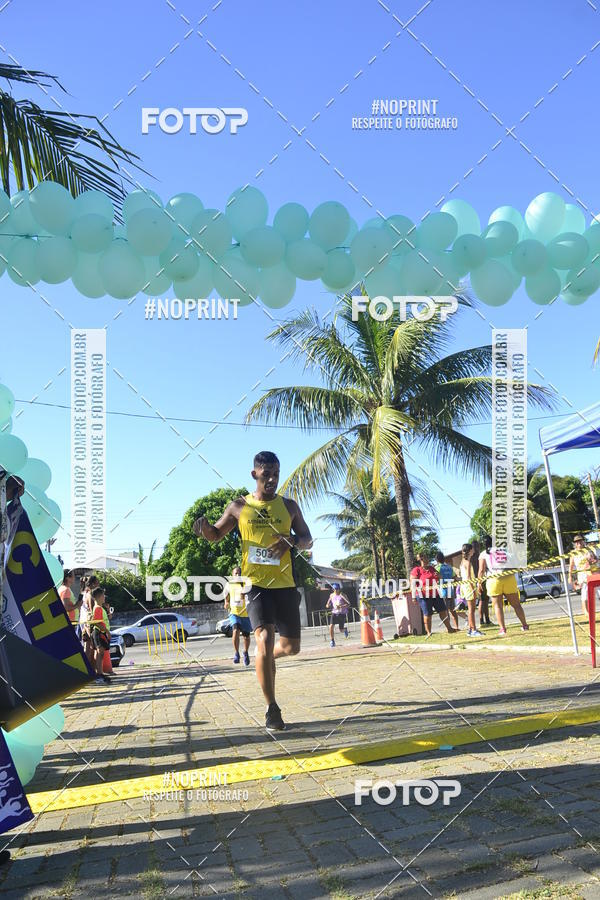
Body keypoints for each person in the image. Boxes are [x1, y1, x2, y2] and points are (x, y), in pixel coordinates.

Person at [193, 451, 313, 731]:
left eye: (275, 474)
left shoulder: (290, 506)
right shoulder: (238, 506)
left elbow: (307, 539)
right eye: (266, 474)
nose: (271, 479)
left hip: (284, 584)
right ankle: (272, 708)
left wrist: (292, 541)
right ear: (254, 474)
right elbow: (215, 535)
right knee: (265, 638)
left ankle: (266, 657)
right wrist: (203, 529)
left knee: (291, 647)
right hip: (255, 585)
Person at [478, 537, 528, 636]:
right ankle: (525, 625)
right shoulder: (503, 550)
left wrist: (479, 583)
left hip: (494, 580)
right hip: (509, 578)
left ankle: (502, 629)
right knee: (516, 604)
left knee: (498, 606)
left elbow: (481, 570)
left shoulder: (484, 554)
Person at [410, 552, 455, 637]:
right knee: (428, 614)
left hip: (435, 593)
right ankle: (429, 632)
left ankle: (450, 629)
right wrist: (413, 597)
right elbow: (412, 583)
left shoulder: (431, 568)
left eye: (426, 557)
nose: (426, 560)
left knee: (443, 611)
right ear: (420, 560)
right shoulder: (416, 570)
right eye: (424, 558)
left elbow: (439, 578)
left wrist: (439, 576)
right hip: (423, 595)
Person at [224, 565, 251, 666]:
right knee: (235, 630)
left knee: (246, 636)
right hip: (234, 612)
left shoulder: (246, 583)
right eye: (236, 573)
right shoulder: (229, 584)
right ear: (232, 574)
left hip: (245, 613)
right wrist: (226, 602)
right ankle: (236, 653)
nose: (238, 575)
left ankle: (246, 652)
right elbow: (226, 594)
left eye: (239, 573)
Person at [568, 534, 597, 618]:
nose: (579, 543)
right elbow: (571, 566)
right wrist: (570, 576)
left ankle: (590, 611)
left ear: (583, 541)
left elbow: (595, 560)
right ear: (574, 544)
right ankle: (585, 611)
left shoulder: (589, 550)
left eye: (580, 541)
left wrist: (592, 562)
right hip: (582, 575)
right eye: (577, 542)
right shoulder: (573, 553)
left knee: (595, 592)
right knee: (584, 594)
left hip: (592, 573)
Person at [458, 544, 482, 637]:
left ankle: (471, 629)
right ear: (469, 551)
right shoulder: (467, 562)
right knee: (471, 610)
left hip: (465, 587)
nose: (474, 551)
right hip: (469, 587)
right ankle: (473, 630)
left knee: (471, 609)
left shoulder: (462, 561)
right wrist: (473, 588)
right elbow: (468, 577)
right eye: (472, 549)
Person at [89, 587, 111, 684]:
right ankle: (99, 674)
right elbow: (96, 623)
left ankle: (100, 672)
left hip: (100, 632)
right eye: (103, 595)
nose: (104, 597)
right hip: (98, 632)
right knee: (99, 653)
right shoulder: (97, 608)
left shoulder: (100, 608)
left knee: (100, 653)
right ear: (98, 597)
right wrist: (106, 631)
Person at [434, 552, 459, 630]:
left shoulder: (437, 568)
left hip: (442, 591)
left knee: (445, 611)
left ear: (436, 560)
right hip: (450, 590)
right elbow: (455, 577)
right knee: (453, 610)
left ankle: (449, 628)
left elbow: (435, 579)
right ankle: (457, 626)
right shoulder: (449, 567)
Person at [472, 539, 491, 626]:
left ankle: (487, 619)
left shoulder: (480, 555)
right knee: (482, 601)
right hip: (479, 580)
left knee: (485, 600)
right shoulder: (475, 557)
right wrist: (478, 583)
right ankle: (481, 620)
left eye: (478, 546)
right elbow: (480, 570)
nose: (478, 548)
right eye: (476, 546)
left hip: (483, 579)